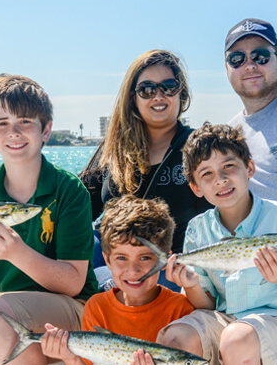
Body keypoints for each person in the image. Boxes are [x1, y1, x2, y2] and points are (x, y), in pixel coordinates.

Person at [0, 74, 98, 365]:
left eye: (24, 122)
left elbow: (73, 282)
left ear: (45, 131)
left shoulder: (68, 190)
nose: (13, 132)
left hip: (72, 312)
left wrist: (16, 252)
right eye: (2, 124)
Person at [157, 122, 277, 365]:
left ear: (250, 168)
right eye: (207, 175)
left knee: (236, 338)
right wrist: (190, 284)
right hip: (226, 320)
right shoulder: (198, 229)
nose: (220, 180)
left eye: (229, 167)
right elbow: (205, 306)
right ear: (196, 187)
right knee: (174, 341)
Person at [41, 194, 195, 365]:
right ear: (107, 259)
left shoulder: (180, 310)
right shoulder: (97, 307)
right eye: (122, 258)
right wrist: (70, 358)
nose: (133, 271)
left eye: (145, 258)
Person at [80, 49, 211, 291]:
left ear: (181, 92)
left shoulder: (200, 148)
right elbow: (78, 205)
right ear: (133, 97)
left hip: (170, 270)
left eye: (169, 86)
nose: (158, 96)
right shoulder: (113, 150)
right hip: (110, 265)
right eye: (147, 89)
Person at [225, 18, 277, 208]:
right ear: (227, 68)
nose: (249, 65)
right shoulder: (229, 135)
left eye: (260, 55)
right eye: (237, 59)